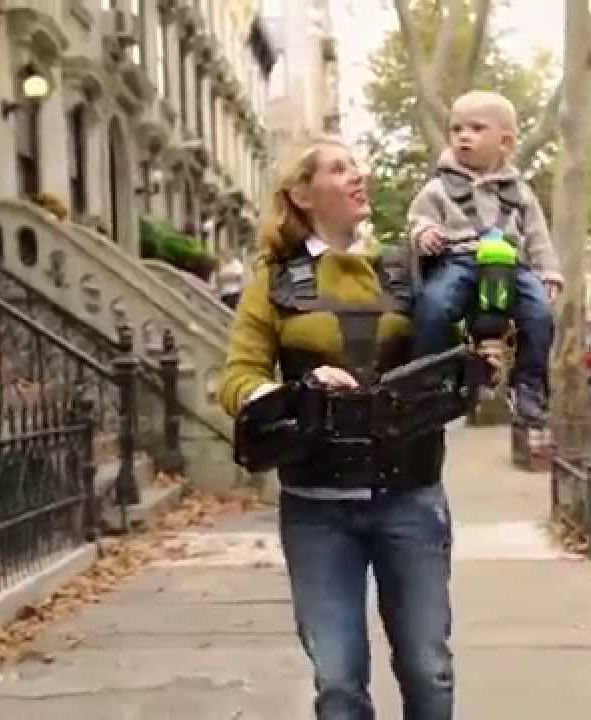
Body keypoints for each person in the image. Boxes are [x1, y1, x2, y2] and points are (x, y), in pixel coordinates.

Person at [219, 137, 455, 720]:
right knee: (339, 683)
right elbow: (238, 379)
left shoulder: (408, 270)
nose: (358, 175)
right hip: (317, 508)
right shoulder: (275, 279)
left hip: (410, 498)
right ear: (302, 194)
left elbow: (456, 355)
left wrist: (492, 349)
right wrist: (300, 390)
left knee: (428, 671)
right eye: (339, 168)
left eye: (357, 165)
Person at [407, 90, 563, 436]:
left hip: (511, 264)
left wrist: (549, 273)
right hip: (460, 259)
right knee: (432, 305)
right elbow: (418, 219)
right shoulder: (438, 188)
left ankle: (528, 387)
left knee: (540, 313)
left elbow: (537, 235)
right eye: (457, 129)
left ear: (505, 142)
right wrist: (425, 234)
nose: (464, 136)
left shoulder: (520, 192)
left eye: (477, 129)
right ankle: (434, 382)